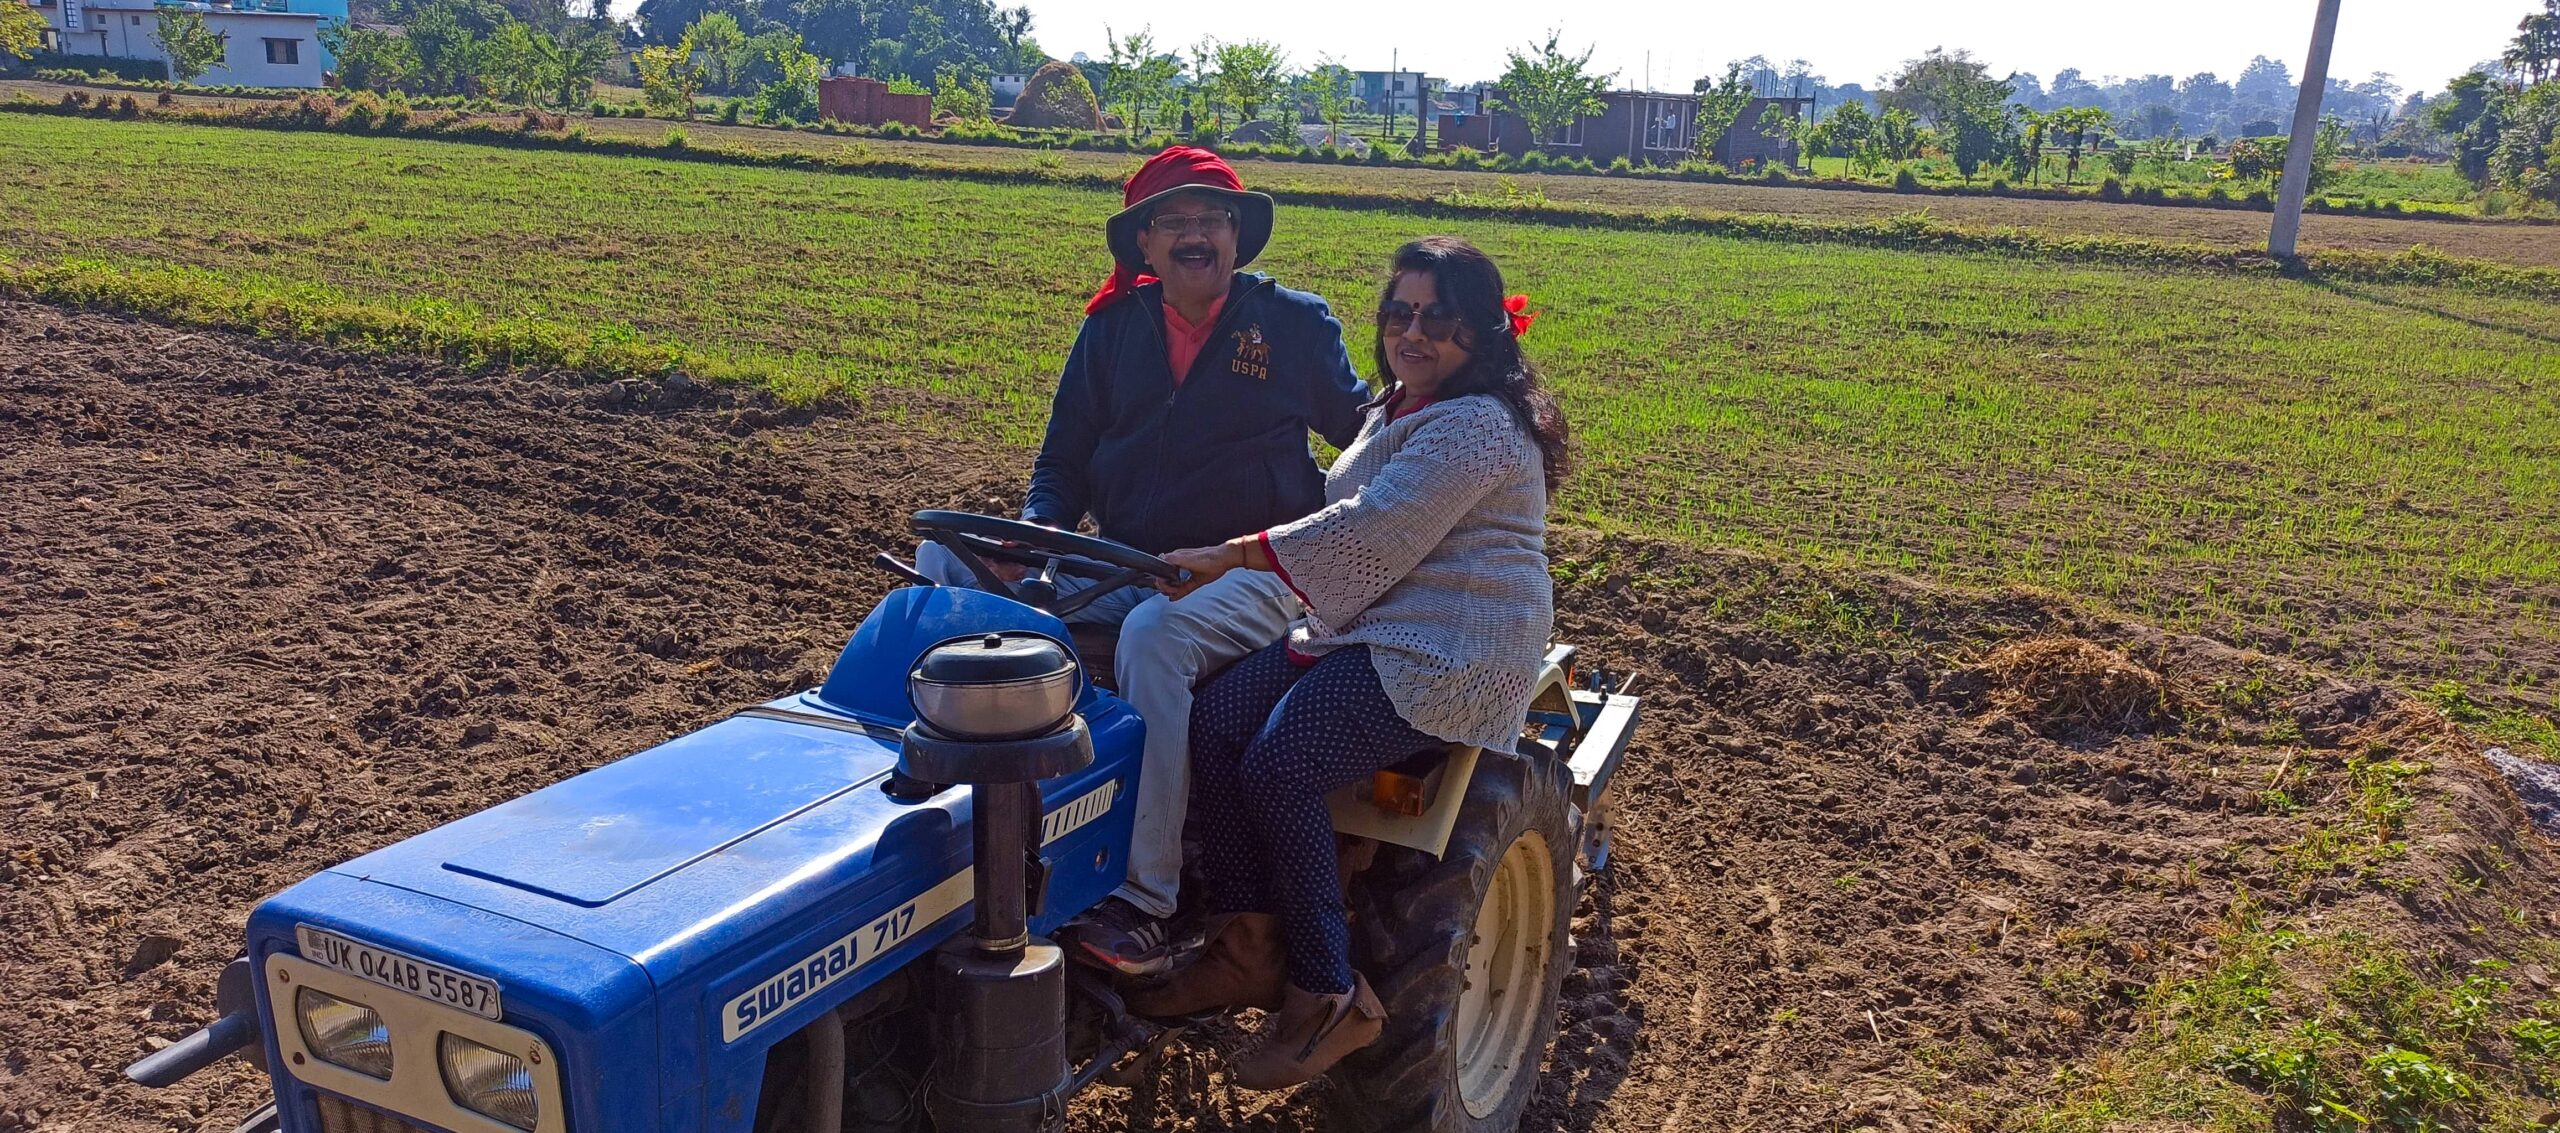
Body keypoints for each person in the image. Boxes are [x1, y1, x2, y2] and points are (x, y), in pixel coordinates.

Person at [912, 146, 1370, 976]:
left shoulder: (1292, 324)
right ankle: (942, 811)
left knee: (1156, 639)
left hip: (1249, 574)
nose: (1197, 236)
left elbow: (1368, 445)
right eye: (1177, 222)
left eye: (1214, 220)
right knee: (944, 564)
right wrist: (1031, 531)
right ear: (1147, 245)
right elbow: (1063, 461)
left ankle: (1146, 897)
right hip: (1121, 561)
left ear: (1237, 236)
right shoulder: (1112, 330)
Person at [1131, 237, 1569, 1089]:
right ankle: (1248, 943)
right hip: (1372, 624)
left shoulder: (1479, 426)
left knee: (1285, 763)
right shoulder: (1397, 406)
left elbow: (1371, 530)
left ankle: (1329, 994)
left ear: (1481, 332)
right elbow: (1351, 515)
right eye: (1399, 313)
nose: (1413, 331)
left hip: (1455, 644)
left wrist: (1232, 555)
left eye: (1436, 317)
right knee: (1215, 723)